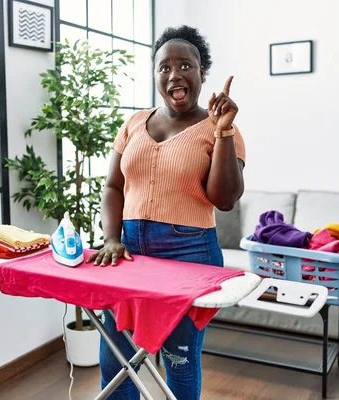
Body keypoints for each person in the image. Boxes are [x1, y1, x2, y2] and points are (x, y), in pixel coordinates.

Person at [86, 25, 246, 400]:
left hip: (190, 253)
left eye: (185, 66)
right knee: (117, 358)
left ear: (202, 72)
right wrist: (111, 238)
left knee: (180, 359)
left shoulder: (221, 127)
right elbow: (113, 187)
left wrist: (222, 132)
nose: (175, 74)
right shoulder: (133, 124)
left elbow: (224, 199)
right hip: (130, 253)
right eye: (164, 67)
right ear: (156, 74)